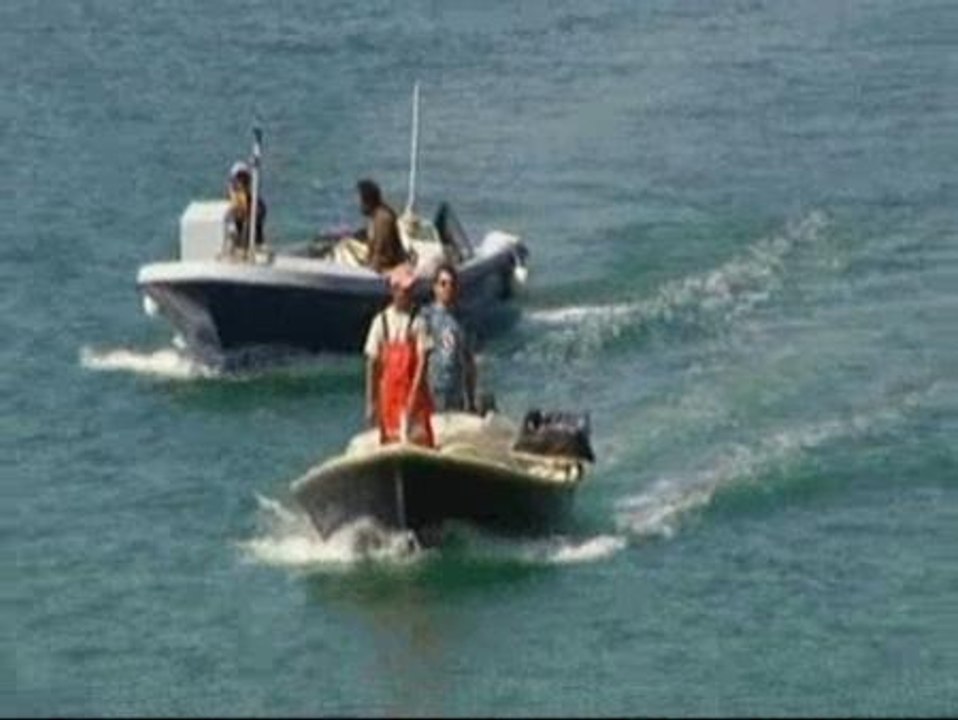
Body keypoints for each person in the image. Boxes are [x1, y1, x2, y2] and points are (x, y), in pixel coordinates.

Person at [363, 264, 435, 447]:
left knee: (419, 440)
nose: (408, 293)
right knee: (390, 440)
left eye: (410, 289)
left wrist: (413, 398)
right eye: (404, 289)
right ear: (394, 290)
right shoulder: (381, 322)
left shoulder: (418, 321)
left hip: (413, 395)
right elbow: (372, 363)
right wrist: (371, 402)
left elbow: (422, 363)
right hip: (389, 396)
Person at [423, 262, 477, 413]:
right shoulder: (426, 316)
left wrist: (471, 398)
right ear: (435, 287)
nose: (448, 288)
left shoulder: (463, 319)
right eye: (443, 284)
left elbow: (469, 361)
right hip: (432, 389)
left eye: (451, 284)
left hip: (455, 390)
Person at [356, 179, 406, 273]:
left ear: (368, 201)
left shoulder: (382, 218)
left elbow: (381, 250)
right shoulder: (375, 216)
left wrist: (370, 269)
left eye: (361, 201)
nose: (359, 204)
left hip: (389, 268)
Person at [227, 161, 267, 255]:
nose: (241, 182)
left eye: (244, 179)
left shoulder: (257, 203)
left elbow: (258, 219)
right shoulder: (225, 203)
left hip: (252, 247)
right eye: (238, 178)